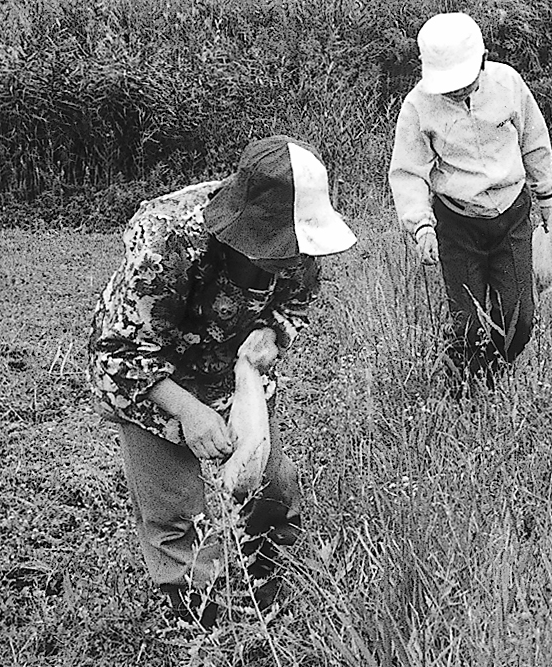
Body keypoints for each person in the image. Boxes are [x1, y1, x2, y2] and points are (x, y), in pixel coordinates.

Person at [87, 135, 356, 629]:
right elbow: (116, 350)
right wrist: (188, 412)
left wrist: (270, 332)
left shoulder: (299, 245)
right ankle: (198, 627)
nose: (293, 260)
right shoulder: (168, 242)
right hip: (150, 379)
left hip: (228, 372)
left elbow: (296, 302)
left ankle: (268, 583)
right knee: (175, 512)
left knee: (272, 484)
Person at [388, 11, 552, 389]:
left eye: (464, 83)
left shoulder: (508, 84)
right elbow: (408, 171)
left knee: (519, 319)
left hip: (512, 214)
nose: (457, 92)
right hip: (457, 223)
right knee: (466, 323)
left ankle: (489, 376)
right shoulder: (419, 106)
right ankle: (463, 385)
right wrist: (421, 226)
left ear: (482, 61)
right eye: (448, 86)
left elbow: (534, 141)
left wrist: (547, 198)